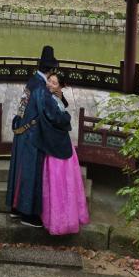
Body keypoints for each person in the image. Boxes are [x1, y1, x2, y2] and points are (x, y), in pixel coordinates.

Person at [6, 45, 60, 227]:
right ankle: (28, 215)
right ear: (51, 69)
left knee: (18, 169)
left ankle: (14, 208)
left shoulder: (31, 82)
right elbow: (50, 114)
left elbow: (21, 107)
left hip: (21, 130)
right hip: (33, 135)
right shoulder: (42, 88)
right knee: (31, 173)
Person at [39, 71, 90, 236]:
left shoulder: (54, 95)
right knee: (60, 182)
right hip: (56, 142)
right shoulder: (46, 97)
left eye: (54, 83)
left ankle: (62, 219)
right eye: (49, 81)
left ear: (60, 86)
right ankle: (60, 220)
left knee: (61, 181)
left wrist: (60, 97)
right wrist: (67, 117)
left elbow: (62, 105)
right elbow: (59, 118)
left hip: (59, 142)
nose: (50, 84)